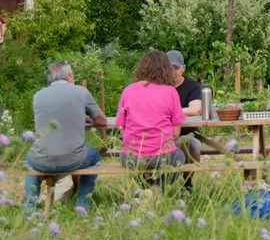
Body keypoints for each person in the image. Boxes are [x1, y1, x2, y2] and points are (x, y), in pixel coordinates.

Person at [24, 62, 108, 210]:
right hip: (73, 159)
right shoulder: (81, 92)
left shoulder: (38, 96)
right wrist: (85, 117)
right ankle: (83, 203)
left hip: (42, 160)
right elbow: (102, 121)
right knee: (95, 156)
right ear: (68, 76)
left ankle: (29, 206)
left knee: (30, 161)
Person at [115, 51, 186, 188]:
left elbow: (121, 128)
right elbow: (176, 133)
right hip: (161, 155)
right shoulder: (170, 92)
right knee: (179, 157)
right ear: (166, 69)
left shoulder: (128, 90)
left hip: (131, 157)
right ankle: (157, 188)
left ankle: (144, 190)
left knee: (137, 163)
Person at [166, 50, 202, 191]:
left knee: (192, 145)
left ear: (183, 68)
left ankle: (187, 183)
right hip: (162, 134)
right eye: (168, 68)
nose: (172, 72)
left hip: (187, 132)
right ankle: (153, 186)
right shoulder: (159, 86)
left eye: (175, 68)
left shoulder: (192, 86)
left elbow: (195, 109)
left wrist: (170, 113)